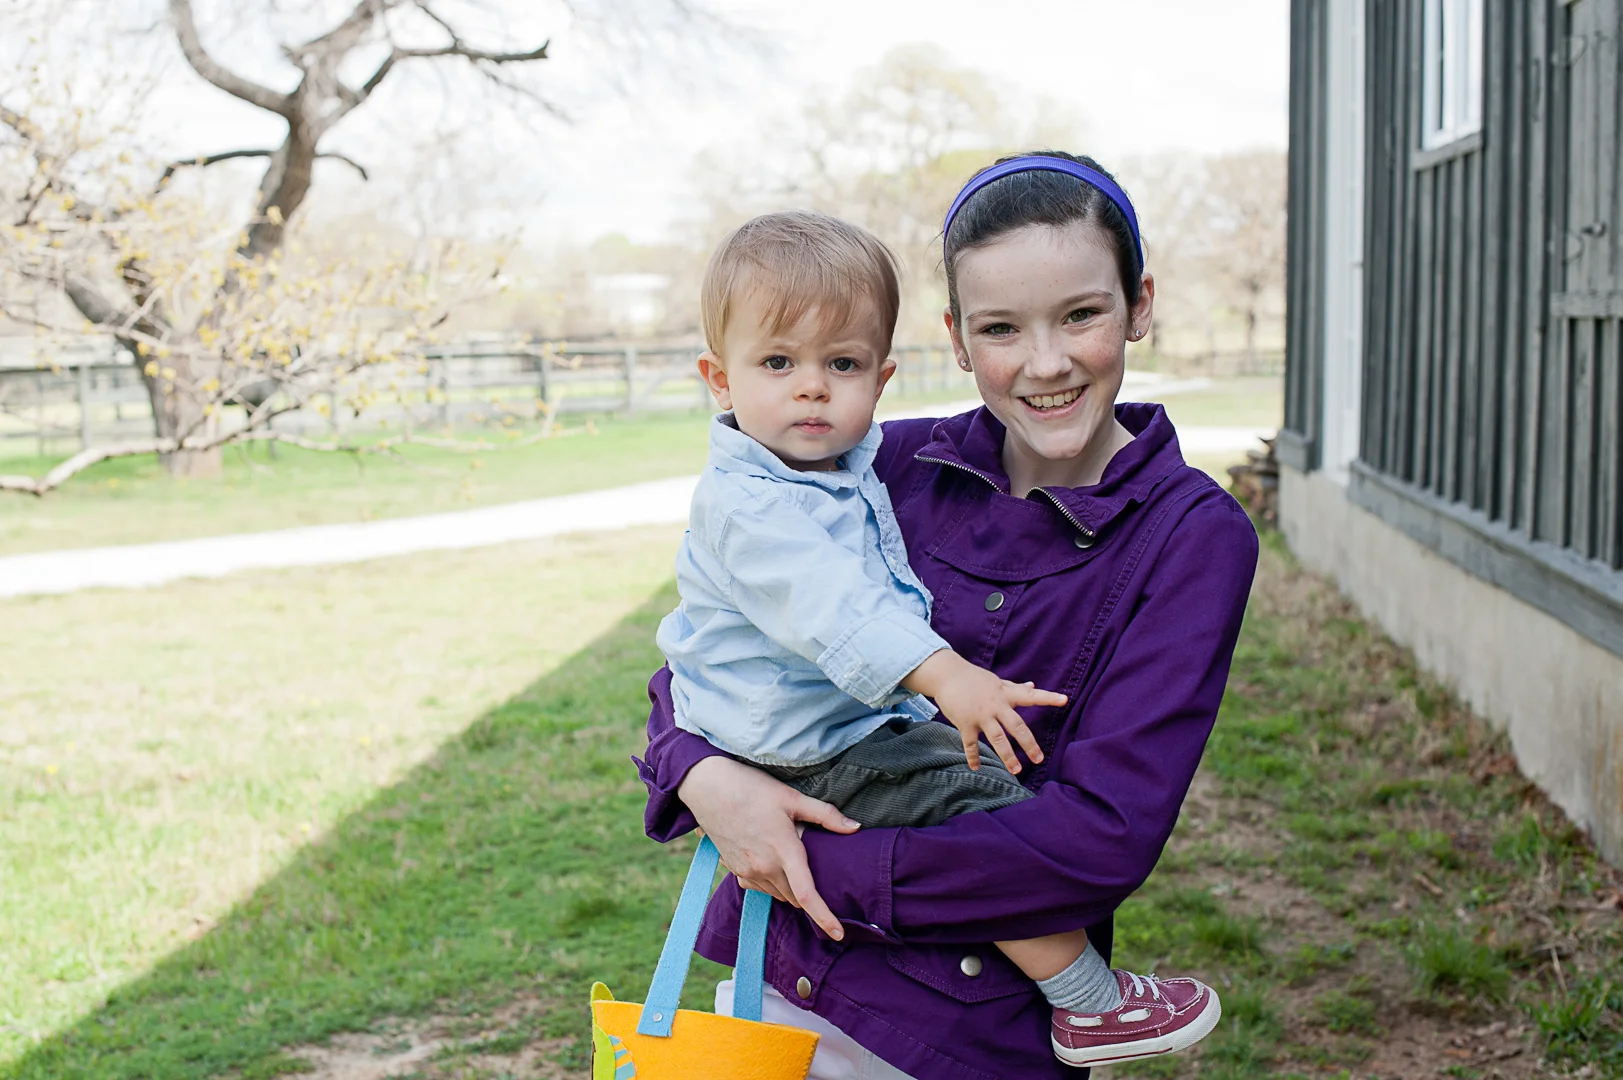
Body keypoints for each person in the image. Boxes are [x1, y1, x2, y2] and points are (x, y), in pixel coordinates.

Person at [636, 152, 1260, 1080]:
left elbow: (1097, 840)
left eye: (1081, 314)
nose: (1045, 362)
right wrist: (704, 780)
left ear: (1138, 304)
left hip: (965, 1037)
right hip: (780, 994)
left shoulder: (1189, 536)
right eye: (1001, 327)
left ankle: (1093, 1006)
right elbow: (710, 659)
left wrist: (791, 855)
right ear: (958, 340)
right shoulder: (873, 460)